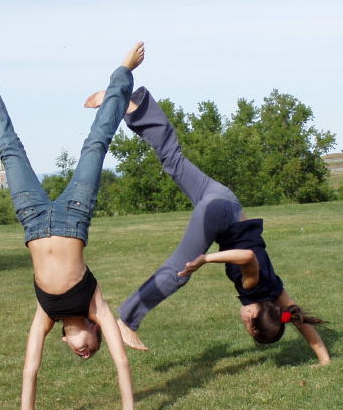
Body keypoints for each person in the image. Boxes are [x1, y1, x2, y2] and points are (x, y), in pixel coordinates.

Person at [0, 42, 145, 410]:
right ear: (93, 331)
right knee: (97, 144)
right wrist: (129, 409)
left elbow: (31, 367)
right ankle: (123, 72)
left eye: (76, 352)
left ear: (65, 340)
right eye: (90, 349)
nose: (83, 352)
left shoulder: (45, 313)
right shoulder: (94, 305)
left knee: (7, 146)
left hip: (32, 218)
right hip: (74, 216)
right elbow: (121, 359)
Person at [85, 85, 330, 365]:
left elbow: (298, 319)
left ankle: (131, 106)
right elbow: (247, 257)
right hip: (219, 213)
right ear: (252, 319)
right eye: (248, 328)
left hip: (224, 199)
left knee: (172, 159)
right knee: (179, 269)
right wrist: (205, 259)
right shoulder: (254, 289)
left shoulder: (276, 296)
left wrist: (324, 358)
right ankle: (127, 321)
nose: (243, 324)